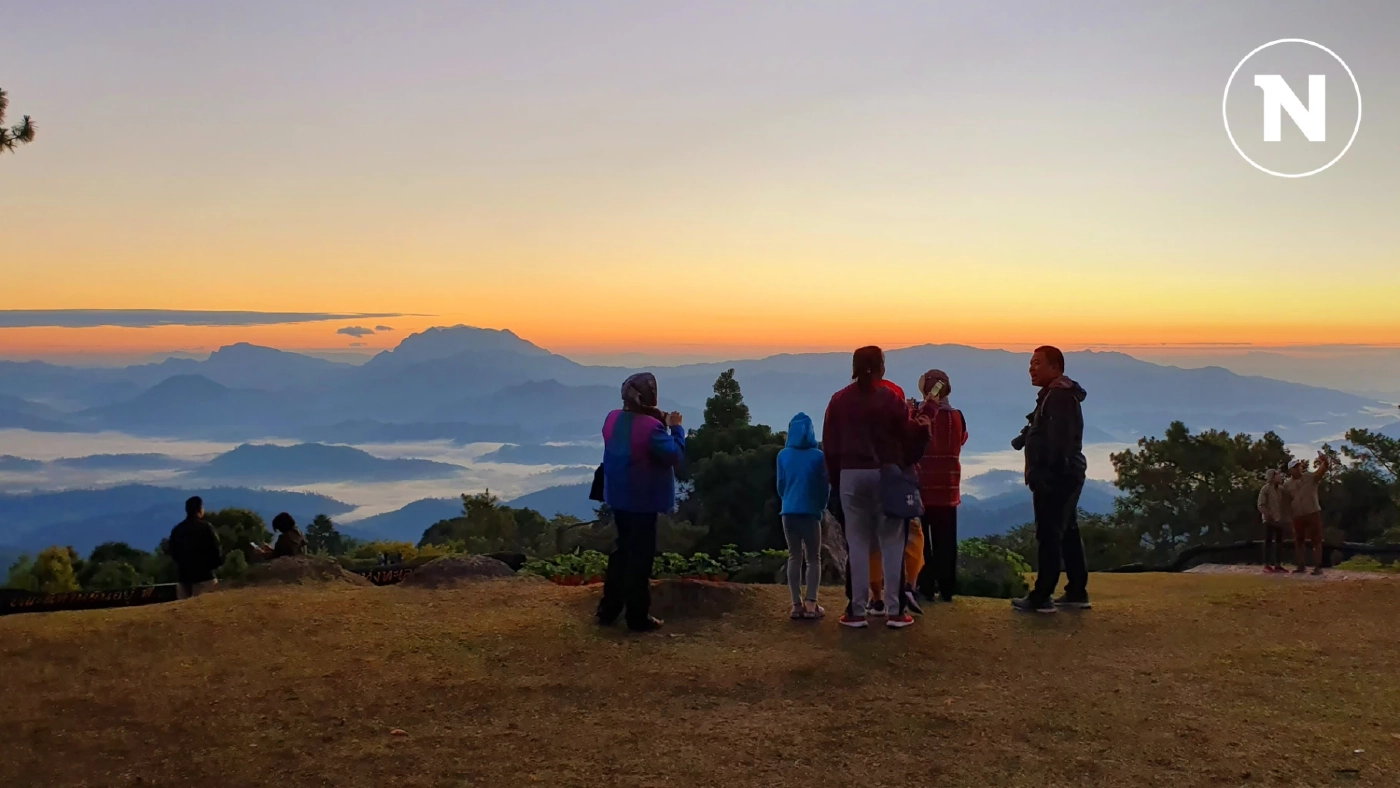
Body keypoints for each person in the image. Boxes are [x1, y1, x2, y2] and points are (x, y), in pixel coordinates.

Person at [823, 346, 924, 630]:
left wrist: (837, 481)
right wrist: (922, 428)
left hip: (850, 475)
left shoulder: (839, 400)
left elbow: (829, 445)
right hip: (885, 474)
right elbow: (907, 439)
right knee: (892, 543)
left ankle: (856, 611)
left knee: (856, 544)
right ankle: (895, 612)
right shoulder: (890, 399)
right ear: (881, 367)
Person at [596, 372, 686, 632]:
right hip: (643, 500)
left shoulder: (612, 418)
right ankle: (637, 617)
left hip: (618, 497)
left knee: (622, 551)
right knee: (640, 558)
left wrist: (655, 418)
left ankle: (608, 609)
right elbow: (673, 455)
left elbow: (634, 433)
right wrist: (676, 428)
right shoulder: (651, 429)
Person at [1011, 346, 1090, 614]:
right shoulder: (1056, 394)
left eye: (1037, 363)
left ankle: (1042, 596)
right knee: (1067, 531)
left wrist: (1046, 475)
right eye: (1030, 363)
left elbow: (1060, 442)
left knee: (1049, 534)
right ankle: (1077, 591)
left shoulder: (1058, 397)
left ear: (1055, 367)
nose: (1031, 369)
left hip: (1057, 477)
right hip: (1067, 474)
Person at [914, 369, 969, 603]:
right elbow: (962, 439)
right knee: (946, 539)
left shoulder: (918, 415)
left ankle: (925, 585)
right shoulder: (957, 416)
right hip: (948, 487)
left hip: (922, 486)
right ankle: (947, 588)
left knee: (921, 540)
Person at [776, 412, 830, 620]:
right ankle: (811, 604)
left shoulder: (783, 455)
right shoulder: (818, 456)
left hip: (788, 512)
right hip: (810, 512)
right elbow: (824, 487)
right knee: (813, 558)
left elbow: (780, 486)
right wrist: (820, 507)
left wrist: (789, 499)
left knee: (794, 556)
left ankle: (796, 604)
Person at [166, 496, 222, 600]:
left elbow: (173, 553)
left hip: (184, 579)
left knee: (185, 609)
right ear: (200, 509)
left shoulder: (177, 530)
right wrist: (213, 566)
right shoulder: (206, 528)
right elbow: (216, 550)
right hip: (205, 578)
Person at [1284, 453, 1330, 575]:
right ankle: (1301, 566)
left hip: (1312, 512)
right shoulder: (1287, 485)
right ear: (1290, 470)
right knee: (1299, 541)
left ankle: (1318, 566)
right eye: (1295, 467)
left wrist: (1325, 461)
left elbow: (1321, 471)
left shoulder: (1310, 477)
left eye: (1298, 466)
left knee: (1316, 540)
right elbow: (1286, 501)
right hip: (1297, 515)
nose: (1298, 468)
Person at [1257, 469, 1290, 573]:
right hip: (1269, 520)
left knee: (1279, 543)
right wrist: (1269, 515)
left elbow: (1286, 502)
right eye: (1277, 475)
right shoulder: (1265, 489)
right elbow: (1261, 505)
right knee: (1268, 542)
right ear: (1272, 477)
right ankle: (1266, 565)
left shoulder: (1281, 489)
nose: (1279, 477)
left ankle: (1277, 564)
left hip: (1279, 520)